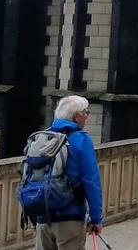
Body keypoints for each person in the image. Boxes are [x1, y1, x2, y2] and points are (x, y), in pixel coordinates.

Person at [33, 95, 103, 250]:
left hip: (43, 216)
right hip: (70, 217)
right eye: (86, 112)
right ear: (77, 116)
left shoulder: (45, 136)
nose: (87, 116)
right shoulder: (81, 139)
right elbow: (91, 180)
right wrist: (96, 218)